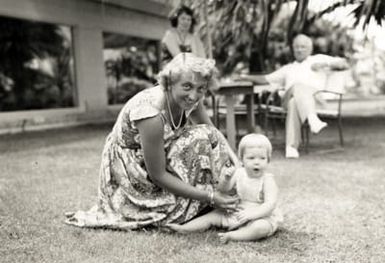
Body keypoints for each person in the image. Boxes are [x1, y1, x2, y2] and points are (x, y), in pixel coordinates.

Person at [64, 53, 240, 230]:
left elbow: (214, 135)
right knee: (196, 141)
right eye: (187, 86)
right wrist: (209, 196)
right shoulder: (151, 114)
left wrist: (239, 167)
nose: (194, 96)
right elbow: (158, 175)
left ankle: (216, 198)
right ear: (170, 83)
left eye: (201, 88)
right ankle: (197, 203)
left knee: (206, 135)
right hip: (133, 170)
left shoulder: (192, 100)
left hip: (161, 153)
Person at [239, 34, 349, 158]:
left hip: (316, 100)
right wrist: (244, 77)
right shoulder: (288, 68)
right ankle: (312, 119)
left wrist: (325, 65)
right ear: (293, 49)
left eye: (303, 46)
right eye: (296, 47)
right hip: (289, 98)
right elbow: (265, 79)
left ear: (310, 48)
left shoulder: (318, 59)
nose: (299, 49)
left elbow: (345, 64)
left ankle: (291, 148)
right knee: (297, 86)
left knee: (293, 102)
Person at [166, 134, 283, 243]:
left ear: (268, 160)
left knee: (260, 228)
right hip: (238, 212)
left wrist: (251, 215)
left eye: (262, 158)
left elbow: (270, 205)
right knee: (213, 216)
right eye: (251, 158)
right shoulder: (239, 173)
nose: (257, 162)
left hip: (260, 216)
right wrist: (226, 179)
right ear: (242, 159)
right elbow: (223, 189)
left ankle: (233, 236)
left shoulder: (267, 180)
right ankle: (184, 228)